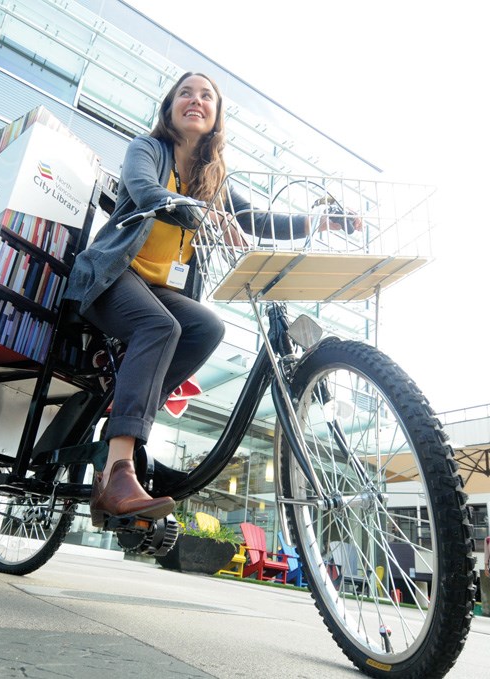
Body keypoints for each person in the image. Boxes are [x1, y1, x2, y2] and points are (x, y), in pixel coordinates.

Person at [64, 72, 352, 527]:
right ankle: (118, 471)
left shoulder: (211, 178)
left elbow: (255, 218)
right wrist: (204, 213)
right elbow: (145, 190)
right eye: (185, 93)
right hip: (111, 277)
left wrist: (317, 223)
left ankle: (126, 416)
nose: (195, 100)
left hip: (159, 290)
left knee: (206, 327)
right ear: (170, 107)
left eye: (206, 96)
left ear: (216, 116)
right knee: (162, 327)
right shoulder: (148, 150)